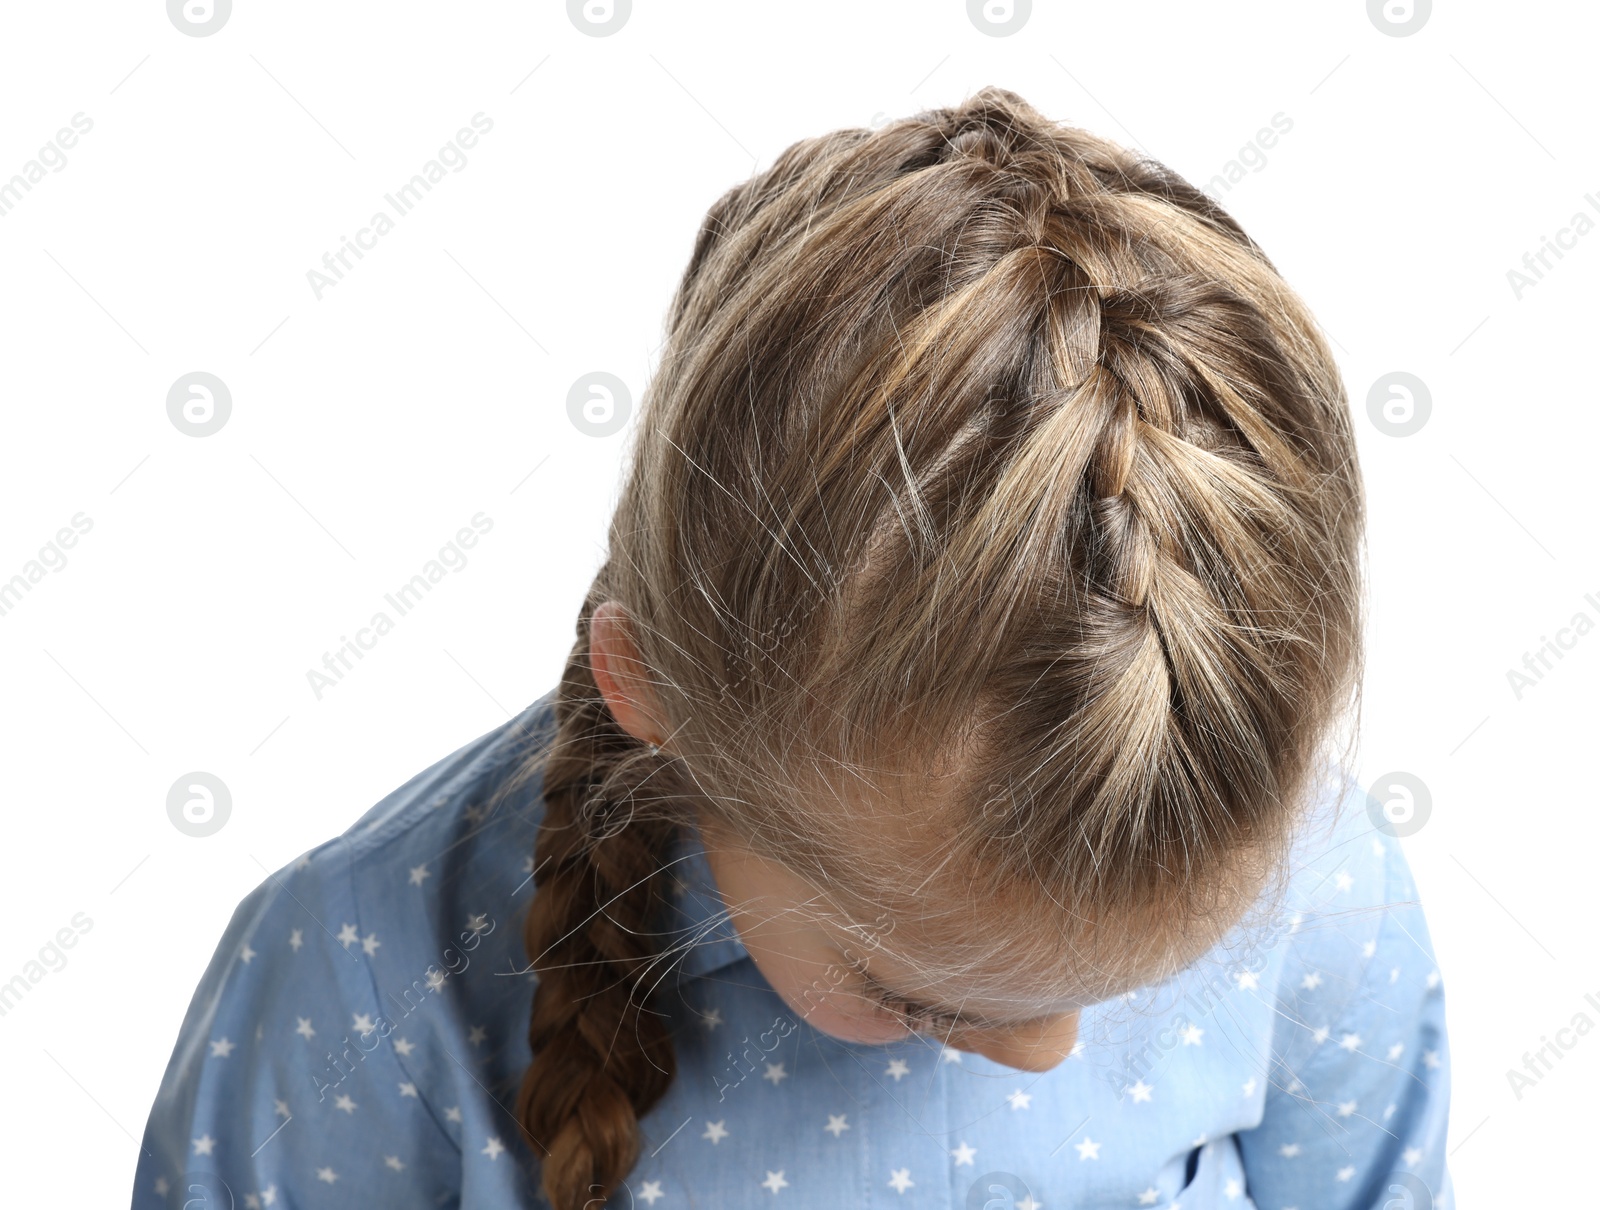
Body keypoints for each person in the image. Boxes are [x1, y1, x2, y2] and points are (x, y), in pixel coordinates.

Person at [133, 86, 1451, 1210]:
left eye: (1143, 978)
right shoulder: (358, 984)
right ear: (654, 687)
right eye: (926, 995)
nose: (1050, 1051)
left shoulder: (1322, 882)